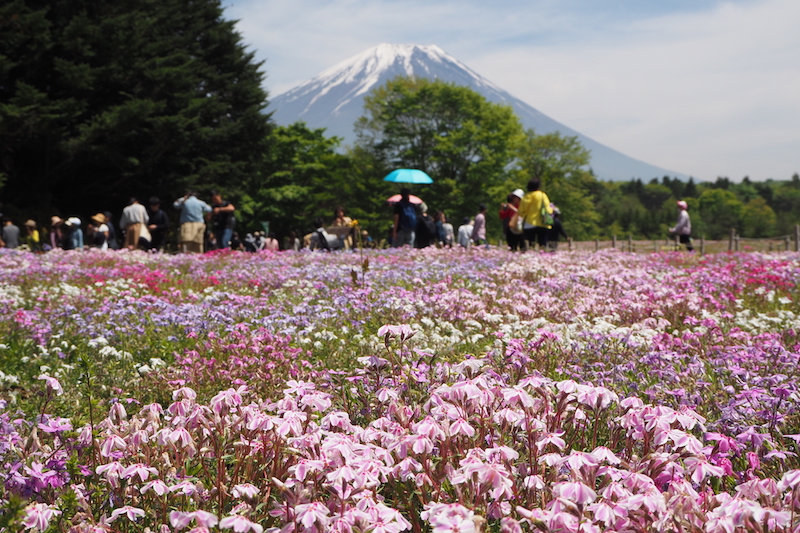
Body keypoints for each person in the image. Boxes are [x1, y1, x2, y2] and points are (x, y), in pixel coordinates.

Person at [517, 178, 553, 251]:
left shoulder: (525, 197)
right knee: (543, 245)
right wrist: (552, 210)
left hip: (529, 223)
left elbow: (520, 211)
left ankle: (530, 258)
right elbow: (548, 209)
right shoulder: (542, 195)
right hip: (542, 222)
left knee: (529, 245)